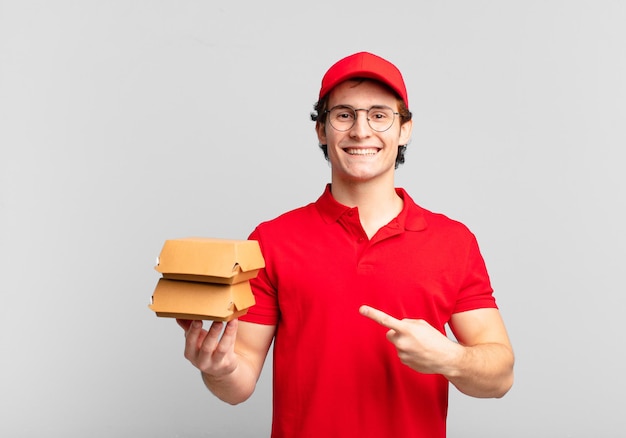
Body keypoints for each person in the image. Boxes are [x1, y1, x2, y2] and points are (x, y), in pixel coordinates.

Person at [177, 51, 514, 438]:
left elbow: (500, 375)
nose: (361, 131)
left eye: (379, 115)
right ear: (322, 130)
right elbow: (240, 378)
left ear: (405, 129)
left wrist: (450, 357)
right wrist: (217, 370)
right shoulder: (272, 240)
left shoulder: (454, 242)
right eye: (344, 115)